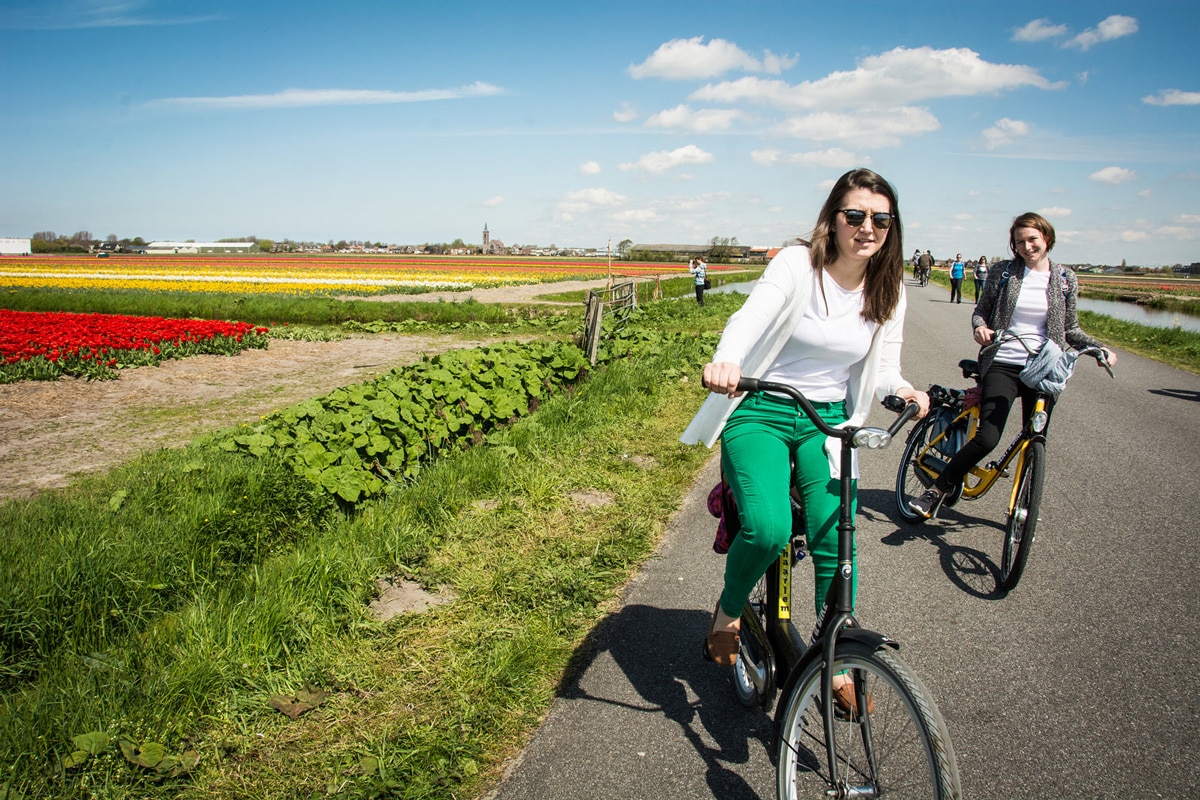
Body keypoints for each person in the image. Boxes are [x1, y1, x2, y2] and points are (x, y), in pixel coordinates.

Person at [680, 168, 930, 710]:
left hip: (829, 420)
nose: (868, 227)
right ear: (833, 220)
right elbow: (750, 318)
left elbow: (884, 365)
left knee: (832, 534)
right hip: (764, 408)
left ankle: (834, 649)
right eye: (856, 215)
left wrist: (903, 388)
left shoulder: (888, 289)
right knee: (770, 527)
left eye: (881, 219)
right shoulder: (797, 265)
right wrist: (727, 360)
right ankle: (726, 612)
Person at [909, 213, 1117, 519]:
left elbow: (1071, 328)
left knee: (1034, 437)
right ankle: (937, 490)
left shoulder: (1064, 278)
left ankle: (1024, 506)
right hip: (1004, 362)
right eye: (1019, 241)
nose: (1026, 246)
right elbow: (981, 311)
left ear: (1047, 238)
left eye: (1032, 239)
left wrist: (1098, 348)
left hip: (1045, 369)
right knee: (988, 438)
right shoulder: (1004, 272)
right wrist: (980, 328)